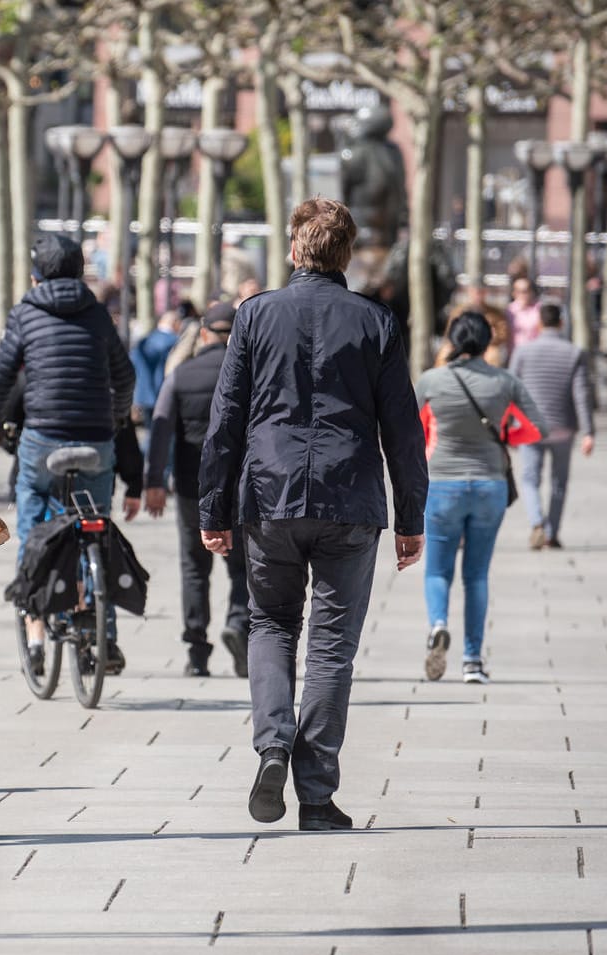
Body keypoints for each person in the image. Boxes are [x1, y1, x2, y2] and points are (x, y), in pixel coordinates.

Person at [199, 197, 428, 833]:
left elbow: (226, 420)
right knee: (332, 648)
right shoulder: (376, 321)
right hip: (349, 496)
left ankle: (273, 745)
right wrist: (412, 516)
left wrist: (212, 507)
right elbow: (403, 429)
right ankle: (318, 795)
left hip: (269, 495)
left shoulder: (254, 316)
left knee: (270, 624)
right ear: (346, 255)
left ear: (296, 251)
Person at [0, 234, 136, 676]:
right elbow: (125, 376)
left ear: (35, 274)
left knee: (32, 523)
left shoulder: (26, 313)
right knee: (97, 525)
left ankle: (34, 632)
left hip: (43, 438)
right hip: (96, 439)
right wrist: (117, 417)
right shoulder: (98, 314)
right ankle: (103, 635)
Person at [416, 312, 545, 684]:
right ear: (488, 340)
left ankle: (438, 624)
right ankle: (472, 660)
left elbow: (409, 428)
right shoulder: (505, 382)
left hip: (442, 484)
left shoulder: (432, 380)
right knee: (477, 574)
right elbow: (538, 427)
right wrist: (505, 437)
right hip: (490, 485)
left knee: (438, 570)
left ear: (452, 340)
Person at [143, 302, 248, 678]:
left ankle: (197, 652)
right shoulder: (251, 376)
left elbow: (160, 428)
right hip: (242, 488)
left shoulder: (182, 376)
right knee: (244, 566)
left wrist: (154, 481)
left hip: (192, 488)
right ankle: (239, 624)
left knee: (194, 568)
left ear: (203, 334)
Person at [509, 301, 593, 550]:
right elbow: (582, 394)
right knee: (559, 482)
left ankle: (537, 522)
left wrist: (510, 426)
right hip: (562, 427)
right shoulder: (574, 353)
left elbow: (511, 390)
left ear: (539, 323)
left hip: (530, 427)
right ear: (562, 323)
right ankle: (552, 532)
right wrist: (588, 432)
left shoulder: (523, 352)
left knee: (529, 479)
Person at [132, 308, 181, 424]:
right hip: (163, 394)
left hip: (144, 395)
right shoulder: (174, 341)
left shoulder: (143, 341)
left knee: (150, 433)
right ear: (175, 323)